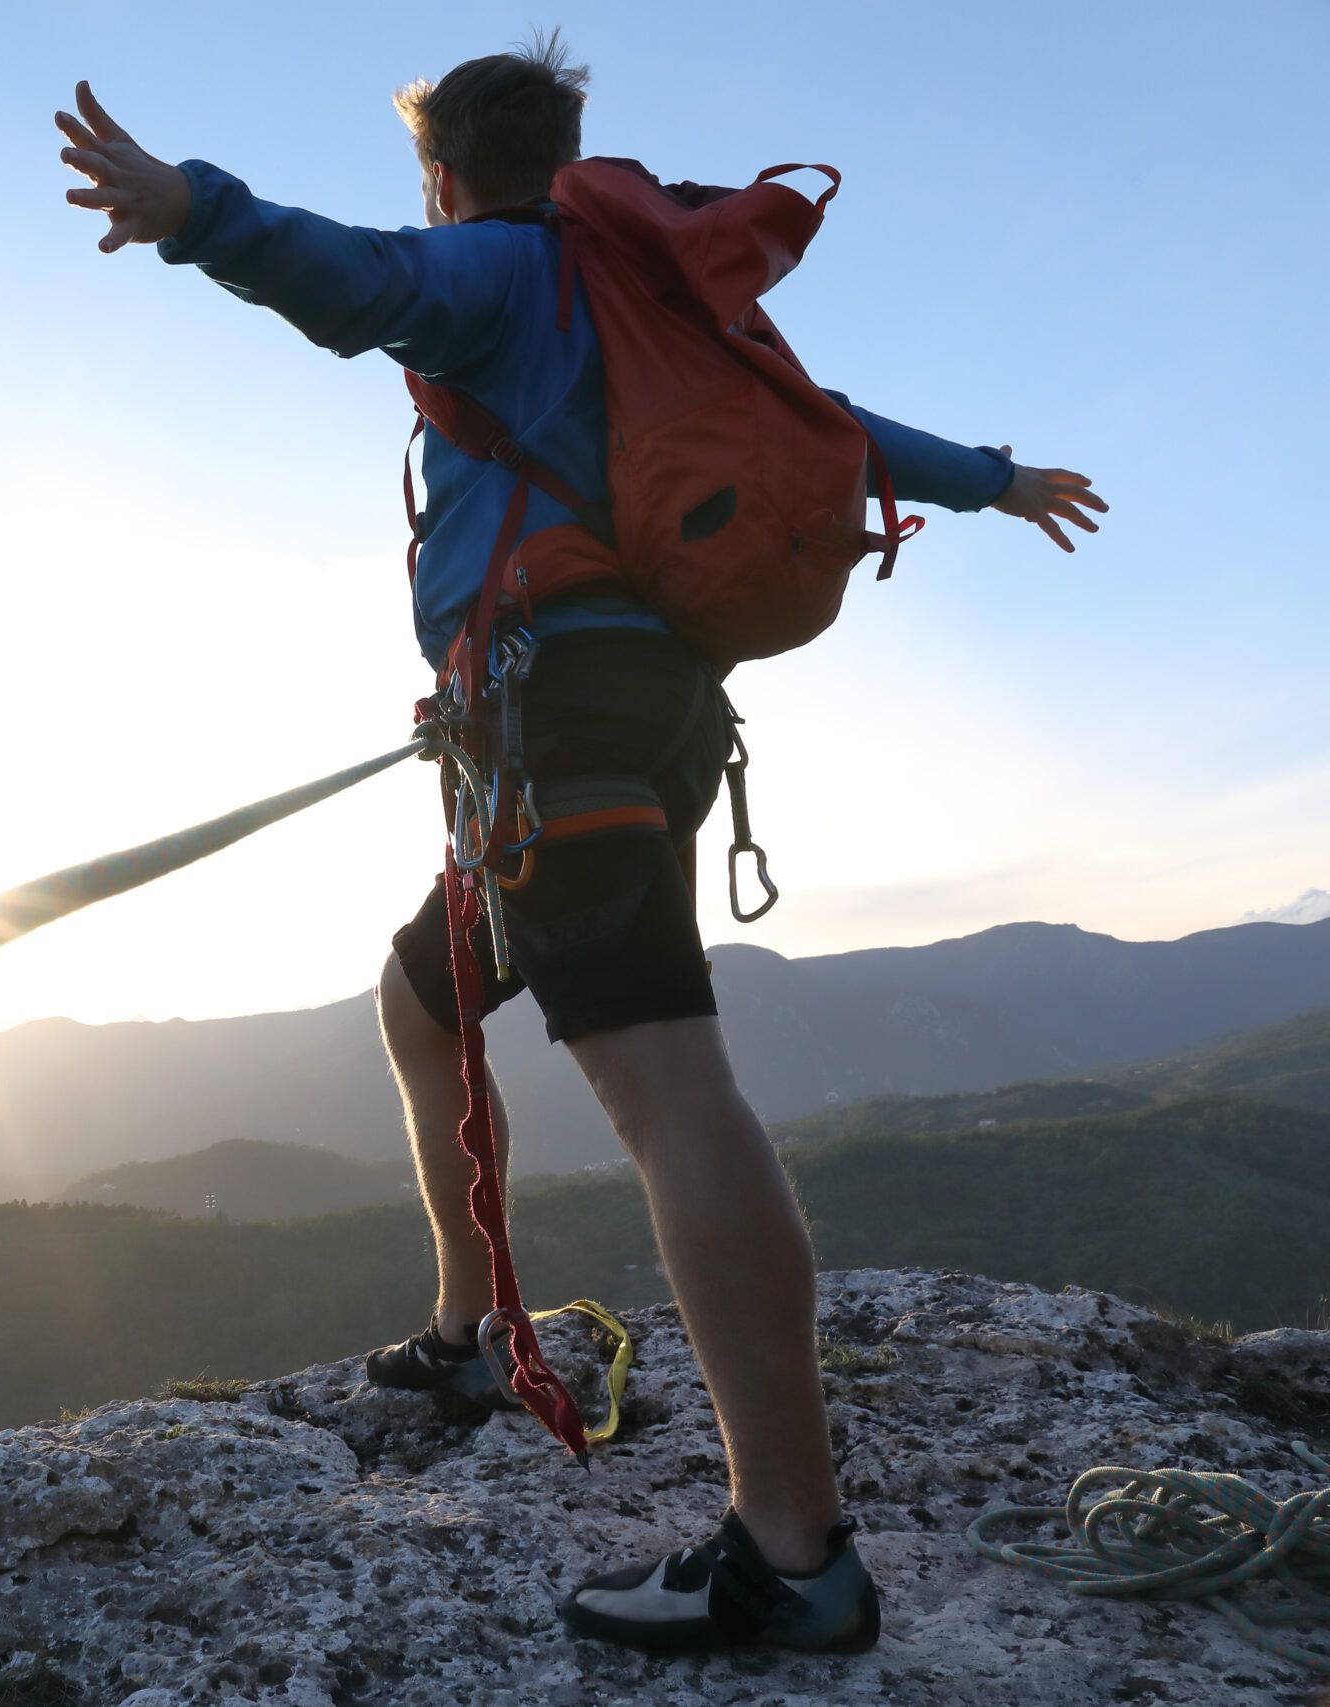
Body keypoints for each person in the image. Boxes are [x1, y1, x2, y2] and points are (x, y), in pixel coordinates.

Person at [54, 34, 1105, 1657]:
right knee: (422, 1003)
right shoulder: (671, 303)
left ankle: (794, 1554)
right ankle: (473, 1328)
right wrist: (993, 478)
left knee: (666, 1085)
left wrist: (189, 204)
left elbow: (351, 279)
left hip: (563, 728)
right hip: (631, 721)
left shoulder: (502, 268)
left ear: (447, 170)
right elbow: (832, 426)